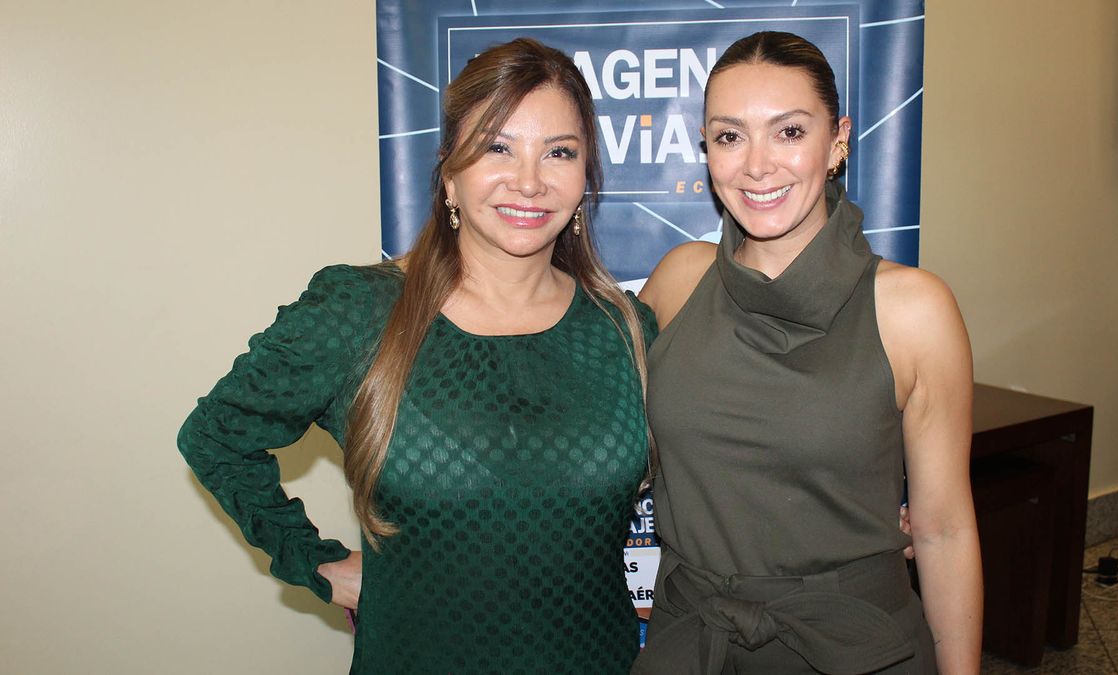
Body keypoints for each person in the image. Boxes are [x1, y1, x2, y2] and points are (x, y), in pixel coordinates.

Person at [178, 38, 655, 674]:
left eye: (559, 152)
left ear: (586, 173)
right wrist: (315, 560)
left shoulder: (626, 331)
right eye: (497, 147)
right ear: (449, 172)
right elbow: (215, 436)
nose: (530, 181)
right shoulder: (359, 313)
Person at [634, 32, 983, 674]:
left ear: (838, 141)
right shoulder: (677, 283)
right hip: (693, 640)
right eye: (730, 136)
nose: (757, 165)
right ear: (706, 148)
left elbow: (943, 530)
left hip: (855, 645)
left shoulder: (913, 309)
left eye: (789, 132)